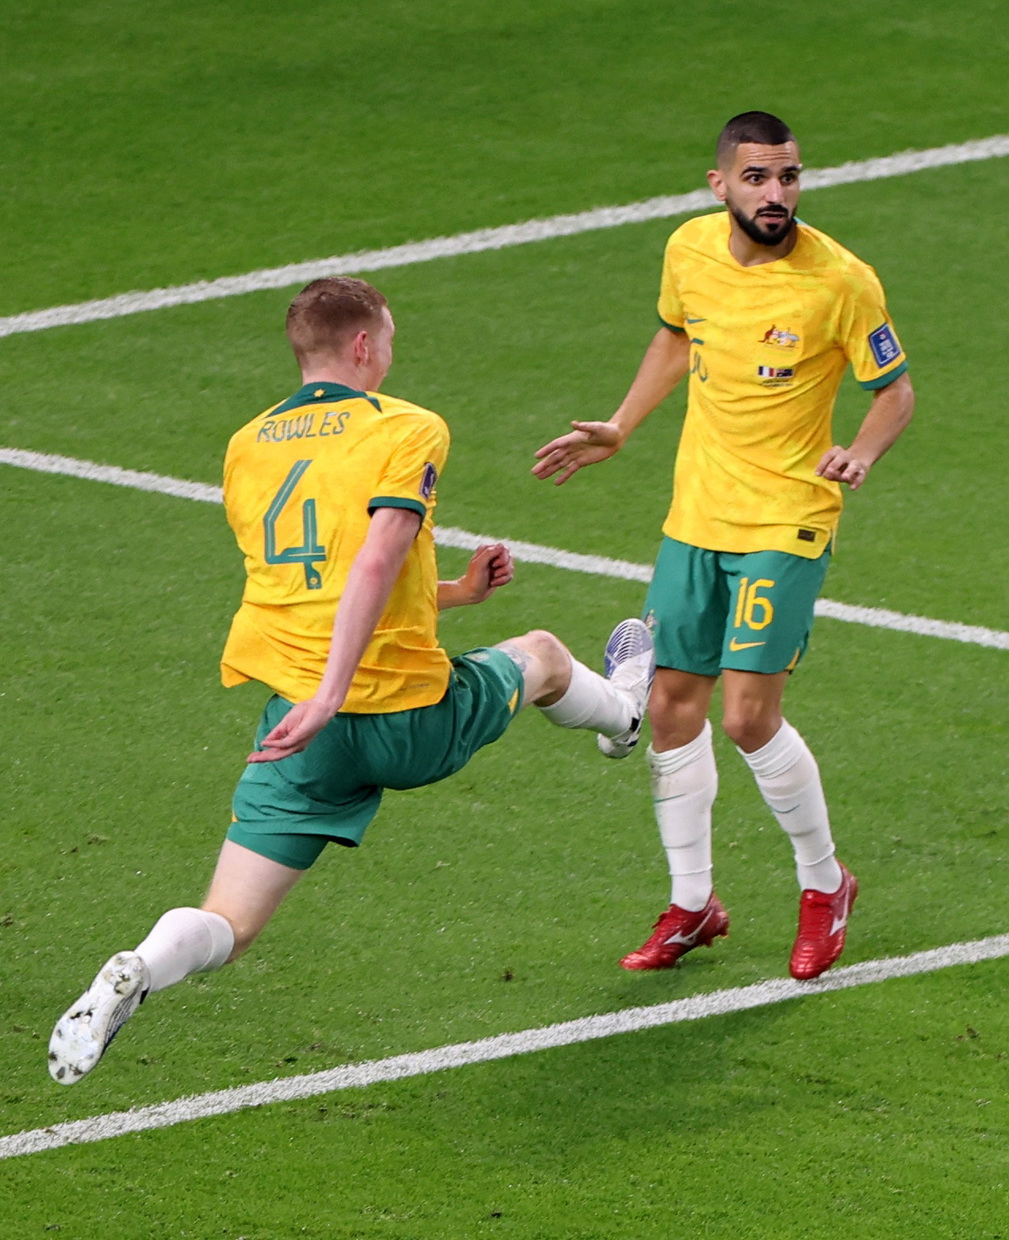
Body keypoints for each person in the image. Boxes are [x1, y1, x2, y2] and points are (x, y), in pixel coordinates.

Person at [48, 276, 655, 1083]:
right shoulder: (407, 427)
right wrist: (342, 690)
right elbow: (375, 556)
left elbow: (323, 581)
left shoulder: (246, 445)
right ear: (364, 346)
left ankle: (139, 967)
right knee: (542, 653)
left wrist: (458, 596)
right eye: (391, 338)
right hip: (404, 718)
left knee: (228, 919)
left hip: (297, 732)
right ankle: (626, 716)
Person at [532, 111, 914, 979]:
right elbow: (677, 336)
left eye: (789, 177)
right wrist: (623, 425)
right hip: (697, 515)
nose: (776, 194)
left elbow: (895, 392)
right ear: (721, 186)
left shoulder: (842, 281)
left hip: (789, 517)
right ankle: (694, 906)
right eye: (757, 179)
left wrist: (860, 449)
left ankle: (826, 887)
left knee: (747, 715)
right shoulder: (688, 251)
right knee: (671, 706)